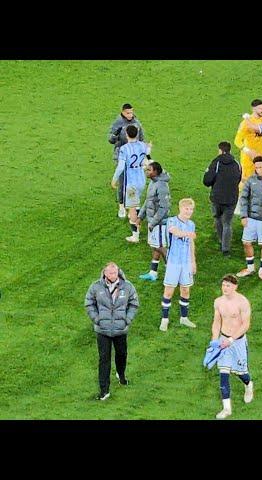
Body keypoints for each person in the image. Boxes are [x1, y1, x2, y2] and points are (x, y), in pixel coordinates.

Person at [84, 262, 139, 401]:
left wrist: (127, 320)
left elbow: (134, 303)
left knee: (122, 355)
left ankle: (121, 375)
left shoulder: (128, 287)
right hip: (103, 330)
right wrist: (97, 319)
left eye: (115, 273)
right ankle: (104, 391)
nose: (113, 276)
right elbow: (89, 302)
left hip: (120, 329)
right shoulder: (96, 286)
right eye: (110, 273)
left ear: (118, 273)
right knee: (104, 360)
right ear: (105, 273)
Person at [211, 274, 253, 419]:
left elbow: (246, 324)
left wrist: (231, 339)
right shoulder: (218, 302)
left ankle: (249, 385)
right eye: (223, 285)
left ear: (235, 286)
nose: (225, 288)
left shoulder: (243, 302)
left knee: (241, 373)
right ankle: (227, 408)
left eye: (228, 285)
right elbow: (216, 322)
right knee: (223, 375)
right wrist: (214, 341)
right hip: (223, 341)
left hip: (238, 342)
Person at [160, 198, 198, 331]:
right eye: (187, 209)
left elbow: (191, 243)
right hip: (174, 262)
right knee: (169, 291)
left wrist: (193, 261)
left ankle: (184, 318)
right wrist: (189, 234)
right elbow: (174, 232)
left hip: (186, 262)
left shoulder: (191, 224)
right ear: (180, 208)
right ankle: (164, 320)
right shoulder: (172, 220)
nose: (189, 211)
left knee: (186, 289)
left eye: (191, 209)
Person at [110, 125, 152, 243]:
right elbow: (147, 156)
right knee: (136, 204)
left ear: (127, 134)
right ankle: (139, 220)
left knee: (131, 211)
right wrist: (149, 148)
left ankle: (135, 235)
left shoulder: (124, 148)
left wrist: (114, 179)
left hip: (132, 183)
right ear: (137, 134)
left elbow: (121, 167)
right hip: (142, 180)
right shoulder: (142, 145)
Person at [203, 141, 242, 256]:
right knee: (228, 223)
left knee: (218, 218)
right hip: (232, 197)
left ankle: (221, 241)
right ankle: (226, 249)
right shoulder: (236, 163)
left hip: (217, 197)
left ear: (220, 150)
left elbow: (207, 180)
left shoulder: (216, 163)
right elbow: (239, 178)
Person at [108, 103, 145, 219]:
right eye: (128, 113)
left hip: (133, 155)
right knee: (123, 182)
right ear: (123, 112)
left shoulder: (136, 123)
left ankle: (133, 205)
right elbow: (110, 139)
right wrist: (115, 136)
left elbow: (142, 138)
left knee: (133, 182)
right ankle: (121, 206)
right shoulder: (118, 122)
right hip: (122, 154)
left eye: (132, 112)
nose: (130, 115)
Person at [234, 99, 262, 213]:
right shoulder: (245, 123)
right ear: (253, 109)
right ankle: (240, 204)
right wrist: (247, 150)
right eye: (260, 108)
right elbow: (237, 140)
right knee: (245, 180)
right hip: (248, 157)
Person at [138, 161, 171, 281]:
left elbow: (164, 207)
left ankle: (172, 272)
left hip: (160, 223)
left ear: (156, 172)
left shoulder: (162, 186)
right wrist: (140, 216)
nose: (146, 172)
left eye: (149, 170)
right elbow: (148, 201)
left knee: (161, 247)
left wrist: (152, 222)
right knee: (155, 246)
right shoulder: (153, 182)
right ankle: (153, 272)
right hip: (153, 221)